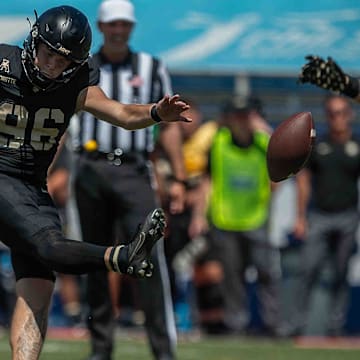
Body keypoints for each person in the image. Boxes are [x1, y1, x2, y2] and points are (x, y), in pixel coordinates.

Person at [0, 5, 190, 360]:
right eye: (50, 54)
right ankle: (120, 256)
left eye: (64, 60)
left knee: (38, 288)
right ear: (33, 43)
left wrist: (155, 113)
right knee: (49, 244)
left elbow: (119, 112)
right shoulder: (2, 65)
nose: (54, 65)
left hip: (33, 187)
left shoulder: (76, 82)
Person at [71, 1, 186, 359]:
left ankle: (163, 350)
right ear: (102, 27)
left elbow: (169, 127)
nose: (119, 30)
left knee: (149, 256)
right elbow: (62, 118)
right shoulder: (83, 65)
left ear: (131, 27)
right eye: (112, 24)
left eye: (124, 24)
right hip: (90, 169)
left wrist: (179, 177)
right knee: (94, 259)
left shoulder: (152, 67)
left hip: (135, 170)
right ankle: (100, 348)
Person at [196, 96, 283, 336]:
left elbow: (284, 155)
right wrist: (200, 215)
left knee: (267, 272)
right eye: (237, 115)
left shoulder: (264, 142)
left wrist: (263, 129)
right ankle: (237, 324)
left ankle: (272, 324)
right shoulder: (219, 141)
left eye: (247, 115)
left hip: (256, 218)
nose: (242, 120)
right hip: (225, 219)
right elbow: (207, 178)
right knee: (232, 278)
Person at [290, 94, 360, 336]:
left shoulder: (356, 146)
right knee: (308, 268)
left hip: (348, 216)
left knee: (341, 272)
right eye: (332, 113)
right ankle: (297, 325)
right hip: (319, 215)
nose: (336, 118)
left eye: (341, 112)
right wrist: (300, 216)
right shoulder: (318, 145)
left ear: (349, 115)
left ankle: (335, 326)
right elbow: (303, 181)